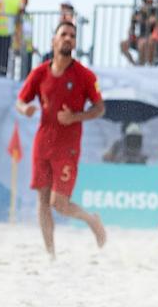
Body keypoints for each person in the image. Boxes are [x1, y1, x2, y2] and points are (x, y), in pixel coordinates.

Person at [15, 21, 107, 257]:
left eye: (72, 35)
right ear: (53, 41)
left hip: (68, 145)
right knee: (43, 200)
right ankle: (51, 255)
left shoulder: (85, 75)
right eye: (64, 34)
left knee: (59, 203)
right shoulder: (39, 73)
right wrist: (24, 109)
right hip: (43, 142)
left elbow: (100, 109)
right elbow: (20, 101)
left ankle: (91, 220)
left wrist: (75, 117)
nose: (68, 38)